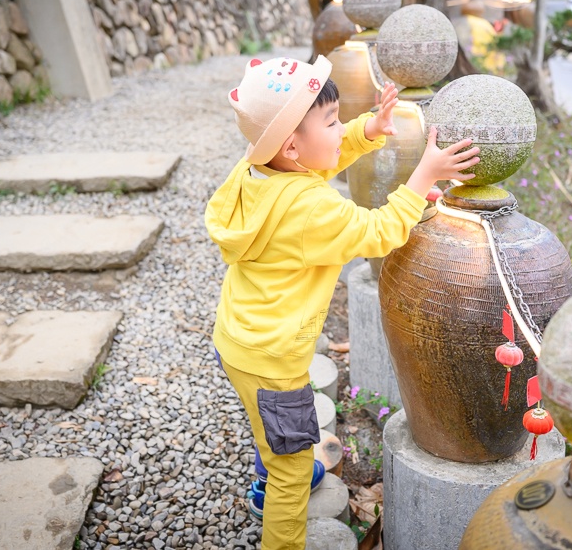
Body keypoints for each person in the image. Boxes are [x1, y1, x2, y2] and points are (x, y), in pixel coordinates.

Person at [205, 55, 480, 549]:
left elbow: (319, 159)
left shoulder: (255, 172)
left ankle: (274, 462)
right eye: (332, 122)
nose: (339, 130)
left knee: (266, 422)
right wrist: (422, 177)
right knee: (290, 466)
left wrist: (366, 130)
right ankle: (279, 497)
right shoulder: (313, 208)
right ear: (291, 144)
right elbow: (379, 233)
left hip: (240, 339)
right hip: (275, 358)